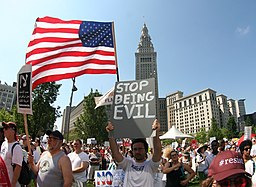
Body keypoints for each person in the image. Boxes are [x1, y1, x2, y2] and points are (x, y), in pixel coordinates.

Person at [106, 119, 162, 187]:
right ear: (132, 151)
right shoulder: (127, 164)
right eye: (135, 149)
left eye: (140, 149)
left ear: (146, 150)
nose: (137, 151)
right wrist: (111, 133)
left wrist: (156, 132)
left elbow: (157, 151)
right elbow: (115, 153)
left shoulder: (151, 165)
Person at [0, 122, 23, 187]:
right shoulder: (4, 144)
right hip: (3, 182)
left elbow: (18, 168)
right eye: (4, 128)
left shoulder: (16, 147)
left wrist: (12, 184)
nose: (4, 130)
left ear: (13, 131)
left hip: (10, 183)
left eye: (6, 128)